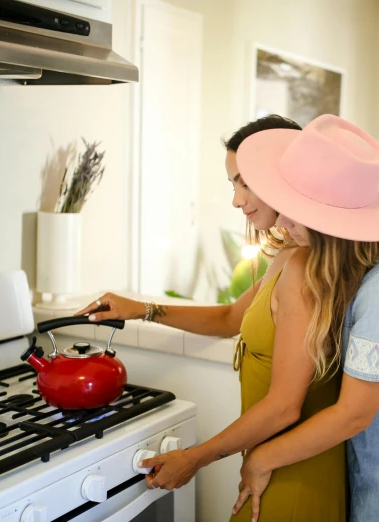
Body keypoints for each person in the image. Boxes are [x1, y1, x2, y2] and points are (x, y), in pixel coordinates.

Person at [75, 115, 347, 522]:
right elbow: (229, 317)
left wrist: (195, 458)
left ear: (283, 178)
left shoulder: (304, 265)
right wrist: (141, 309)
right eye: (233, 184)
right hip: (274, 463)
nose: (237, 200)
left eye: (245, 182)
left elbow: (284, 407)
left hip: (293, 472)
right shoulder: (289, 253)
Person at [230, 114, 379, 522]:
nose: (283, 222)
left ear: (335, 224)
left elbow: (354, 413)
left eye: (296, 212)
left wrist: (261, 458)